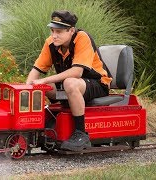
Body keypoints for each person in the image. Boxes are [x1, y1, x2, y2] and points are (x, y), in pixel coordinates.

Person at [26, 10, 112, 151]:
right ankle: (46, 120)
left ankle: (81, 134)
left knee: (69, 82)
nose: (54, 35)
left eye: (59, 31)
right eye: (52, 30)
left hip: (98, 83)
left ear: (71, 30)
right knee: (44, 85)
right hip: (73, 86)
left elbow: (77, 72)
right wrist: (27, 87)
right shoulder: (50, 43)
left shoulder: (82, 38)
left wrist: (44, 80)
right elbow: (36, 70)